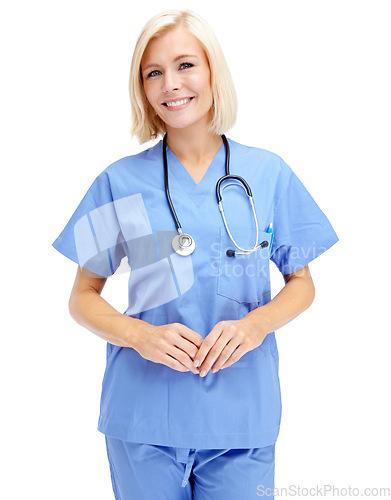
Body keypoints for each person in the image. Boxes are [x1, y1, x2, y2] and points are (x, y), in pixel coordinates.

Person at [52, 9, 338, 500]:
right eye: (153, 72)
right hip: (143, 415)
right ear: (142, 89)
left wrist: (255, 325)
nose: (171, 84)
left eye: (185, 65)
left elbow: (303, 283)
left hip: (241, 417)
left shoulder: (267, 174)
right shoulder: (118, 182)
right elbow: (83, 297)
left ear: (212, 72)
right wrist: (138, 335)